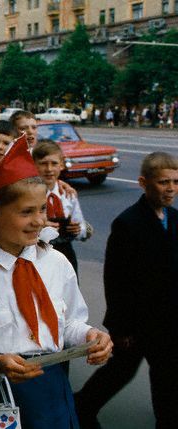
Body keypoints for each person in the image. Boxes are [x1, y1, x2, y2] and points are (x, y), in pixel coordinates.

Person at [0, 136, 112, 429]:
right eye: (26, 212)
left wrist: (89, 336)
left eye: (42, 210)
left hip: (51, 388)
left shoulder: (56, 263)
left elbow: (67, 323)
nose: (38, 221)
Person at [74, 152, 178, 429]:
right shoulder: (128, 223)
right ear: (144, 183)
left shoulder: (174, 217)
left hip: (167, 320)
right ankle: (81, 406)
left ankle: (165, 420)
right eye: (163, 182)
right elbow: (116, 279)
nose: (170, 189)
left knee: (165, 375)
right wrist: (119, 329)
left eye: (175, 182)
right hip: (137, 322)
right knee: (122, 371)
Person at [32, 140, 88, 274]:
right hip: (37, 253)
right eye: (43, 164)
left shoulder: (68, 194)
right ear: (34, 165)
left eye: (54, 163)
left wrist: (78, 229)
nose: (49, 169)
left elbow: (82, 227)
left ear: (62, 165)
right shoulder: (29, 194)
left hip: (65, 252)